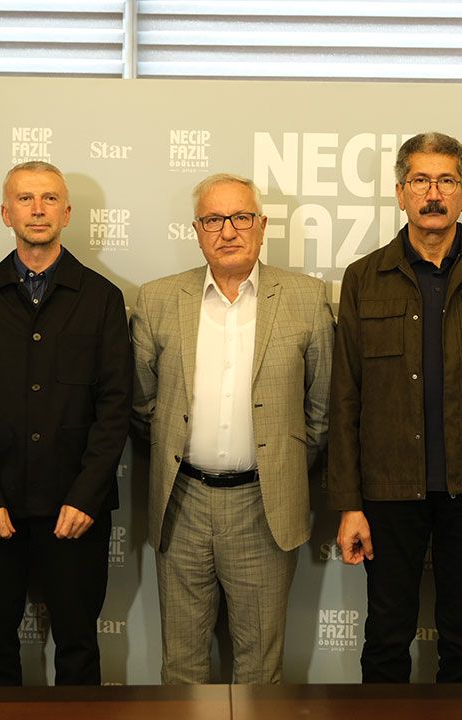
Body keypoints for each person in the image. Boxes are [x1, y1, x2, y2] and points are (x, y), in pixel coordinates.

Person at [328, 132, 462, 683]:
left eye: (446, 181)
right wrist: (349, 503)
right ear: (400, 192)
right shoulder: (363, 278)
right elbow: (345, 397)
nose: (433, 194)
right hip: (388, 491)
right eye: (420, 180)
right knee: (385, 640)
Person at [131, 173, 334, 684]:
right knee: (181, 664)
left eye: (241, 217)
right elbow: (141, 403)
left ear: (261, 226)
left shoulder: (306, 298)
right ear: (197, 230)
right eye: (213, 220)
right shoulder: (157, 299)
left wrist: (281, 465)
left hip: (264, 505)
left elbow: (321, 409)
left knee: (260, 668)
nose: (228, 231)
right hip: (182, 502)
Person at [0, 161, 132, 686]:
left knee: (78, 648)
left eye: (49, 199)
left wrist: (86, 497)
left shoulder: (102, 299)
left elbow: (115, 407)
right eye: (25, 199)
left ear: (67, 212)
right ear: (6, 213)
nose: (38, 209)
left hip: (76, 510)